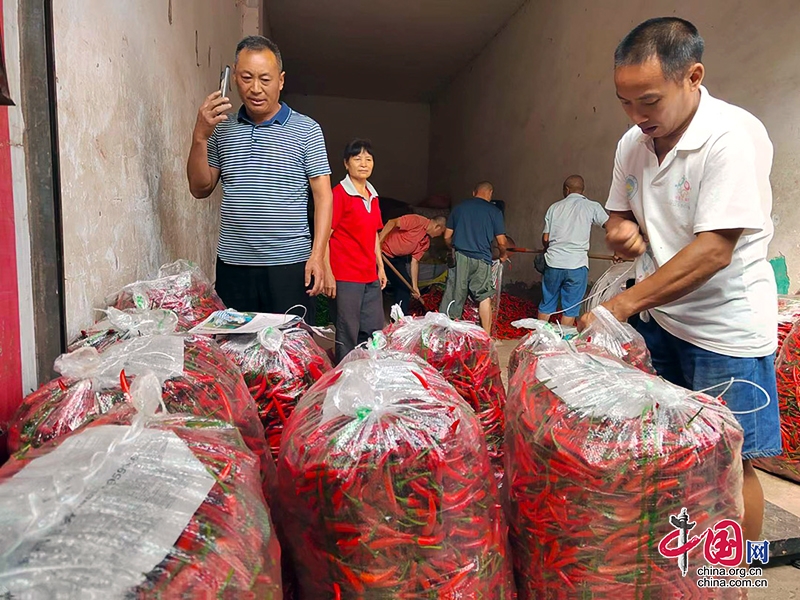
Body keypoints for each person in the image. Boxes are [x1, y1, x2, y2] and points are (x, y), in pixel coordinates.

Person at [577, 17, 780, 546]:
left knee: (729, 462)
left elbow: (714, 250)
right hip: (660, 319)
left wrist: (618, 306)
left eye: (648, 100)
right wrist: (623, 232)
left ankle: (734, 577)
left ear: (693, 77)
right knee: (663, 451)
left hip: (724, 328)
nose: (637, 116)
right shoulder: (633, 143)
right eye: (625, 102)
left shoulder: (732, 136)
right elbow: (618, 215)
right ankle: (677, 564)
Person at [186, 35, 334, 317]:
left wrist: (318, 256)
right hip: (234, 266)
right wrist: (200, 136)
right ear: (234, 76)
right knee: (234, 352)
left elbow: (324, 197)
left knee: (290, 352)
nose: (255, 88)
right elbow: (200, 187)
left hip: (290, 266)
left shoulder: (307, 130)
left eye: (265, 80)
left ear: (281, 80)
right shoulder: (221, 129)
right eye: (246, 77)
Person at [327, 139, 387, 363]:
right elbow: (326, 236)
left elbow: (374, 234)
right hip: (345, 275)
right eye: (357, 158)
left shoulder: (373, 195)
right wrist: (327, 272)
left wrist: (380, 267)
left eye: (368, 159)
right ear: (346, 163)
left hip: (369, 274)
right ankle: (344, 375)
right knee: (347, 331)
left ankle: (366, 372)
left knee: (373, 328)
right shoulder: (339, 194)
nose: (364, 163)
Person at [537, 175, 609, 327]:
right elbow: (610, 226)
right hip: (577, 264)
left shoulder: (554, 207)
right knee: (570, 308)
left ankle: (539, 339)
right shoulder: (592, 206)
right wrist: (619, 251)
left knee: (547, 303)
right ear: (582, 190)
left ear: (566, 190)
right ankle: (563, 343)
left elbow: (545, 238)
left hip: (554, 263)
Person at [440, 182, 508, 334]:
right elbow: (502, 242)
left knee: (455, 293)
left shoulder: (459, 208)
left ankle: (448, 333)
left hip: (460, 256)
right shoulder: (495, 212)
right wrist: (503, 255)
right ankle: (486, 335)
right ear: (490, 194)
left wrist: (453, 247)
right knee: (484, 295)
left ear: (473, 192)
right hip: (483, 259)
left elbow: (446, 237)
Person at [379, 214, 447, 312]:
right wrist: (379, 242)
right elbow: (392, 222)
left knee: (404, 286)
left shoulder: (425, 242)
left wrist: (414, 287)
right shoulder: (417, 221)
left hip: (396, 259)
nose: (439, 236)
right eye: (441, 232)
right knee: (375, 284)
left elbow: (415, 262)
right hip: (380, 252)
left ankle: (400, 319)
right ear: (438, 227)